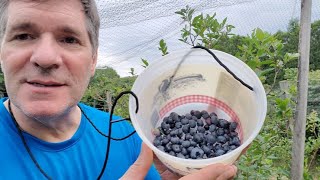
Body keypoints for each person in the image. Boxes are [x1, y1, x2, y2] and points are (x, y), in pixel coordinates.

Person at [0, 0, 238, 179]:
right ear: (1, 53)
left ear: (93, 60)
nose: (45, 57)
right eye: (23, 36)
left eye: (69, 39)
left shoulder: (126, 136)